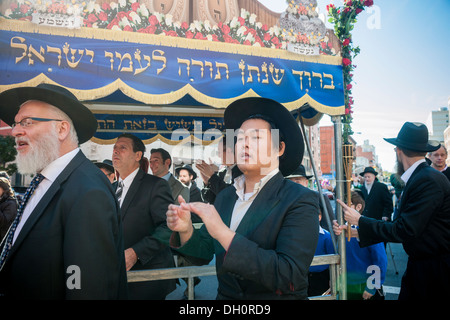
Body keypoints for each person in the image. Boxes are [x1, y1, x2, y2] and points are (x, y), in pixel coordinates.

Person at [166, 97, 320, 299]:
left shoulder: (300, 199)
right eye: (239, 138)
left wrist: (223, 233)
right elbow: (203, 254)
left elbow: (288, 275)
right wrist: (185, 229)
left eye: (256, 138)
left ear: (280, 148)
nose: (244, 145)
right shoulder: (226, 197)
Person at [0, 83, 127, 299]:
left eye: (27, 122)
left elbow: (84, 285)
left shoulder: (88, 191)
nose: (15, 131)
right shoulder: (45, 180)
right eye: (15, 123)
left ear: (61, 129)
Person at [337, 122, 450, 300]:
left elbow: (404, 229)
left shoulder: (428, 179)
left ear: (398, 151)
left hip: (433, 273)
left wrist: (360, 221)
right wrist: (356, 232)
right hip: (422, 268)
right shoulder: (421, 177)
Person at [112, 133, 176, 299]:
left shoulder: (155, 185)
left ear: (138, 155)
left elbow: (168, 226)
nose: (116, 152)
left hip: (147, 276)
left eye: (122, 148)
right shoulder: (109, 188)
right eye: (114, 148)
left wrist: (136, 252)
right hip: (115, 276)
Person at [333, 191, 387, 300]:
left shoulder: (368, 229)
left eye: (346, 206)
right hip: (346, 283)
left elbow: (380, 260)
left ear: (358, 207)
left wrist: (372, 286)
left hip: (364, 284)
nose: (342, 210)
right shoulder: (340, 229)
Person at [285, 164, 335, 231]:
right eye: (290, 182)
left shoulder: (320, 198)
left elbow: (330, 226)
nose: (294, 185)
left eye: (298, 181)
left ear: (306, 182)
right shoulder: (282, 201)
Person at [197, 135, 242, 204]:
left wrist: (212, 176)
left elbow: (230, 195)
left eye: (219, 152)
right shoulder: (222, 172)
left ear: (229, 151)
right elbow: (210, 199)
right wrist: (206, 181)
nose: (219, 156)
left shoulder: (242, 172)